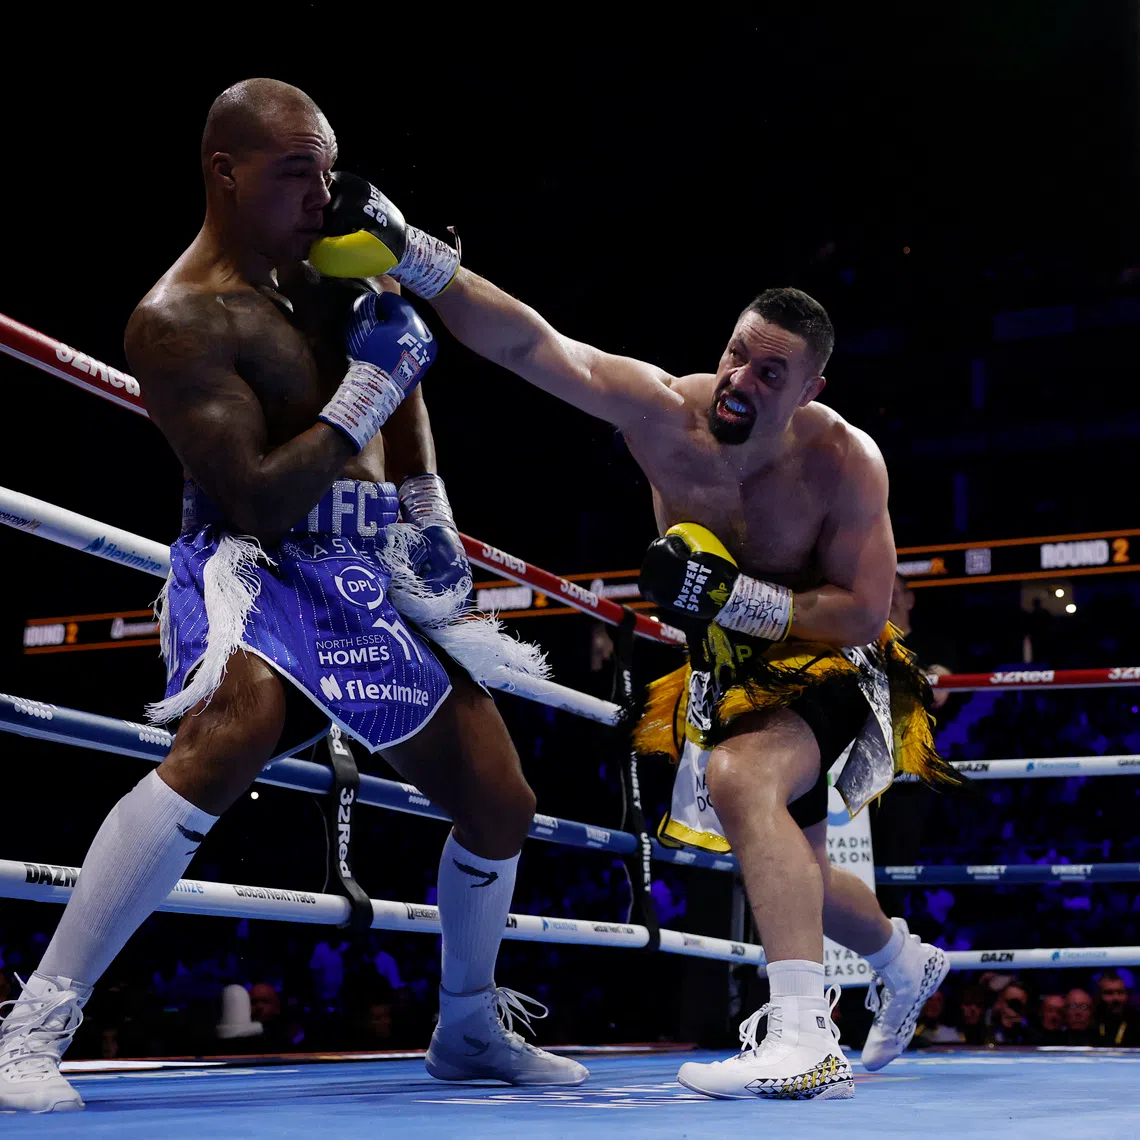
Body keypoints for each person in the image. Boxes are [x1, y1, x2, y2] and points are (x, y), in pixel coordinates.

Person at [0, 79, 584, 1114]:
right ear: (225, 175)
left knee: (500, 801)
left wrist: (427, 503)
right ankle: (34, 1026)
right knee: (232, 732)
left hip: (364, 568)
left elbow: (399, 363)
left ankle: (465, 1027)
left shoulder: (332, 266)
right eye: (294, 172)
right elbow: (256, 495)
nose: (324, 191)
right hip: (250, 562)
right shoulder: (176, 320)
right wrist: (368, 388)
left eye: (327, 164)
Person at [308, 175, 958, 1100]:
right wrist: (414, 251)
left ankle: (808, 1035)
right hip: (729, 673)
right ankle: (905, 961)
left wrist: (739, 598)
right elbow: (535, 345)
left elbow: (862, 608)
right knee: (791, 865)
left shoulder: (844, 459)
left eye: (772, 373)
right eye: (737, 355)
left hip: (836, 661)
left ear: (811, 388)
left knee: (742, 782)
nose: (741, 380)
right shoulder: (665, 413)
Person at [1094, 971, 1138, 1047]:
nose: (1116, 998)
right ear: (1098, 995)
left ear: (1128, 995)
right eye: (1109, 993)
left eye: (1120, 992)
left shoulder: (1137, 1022)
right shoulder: (1091, 1022)